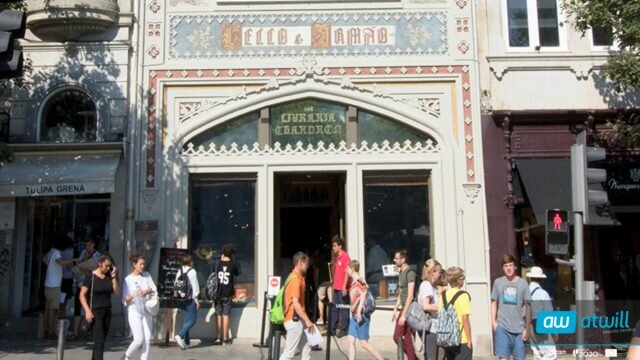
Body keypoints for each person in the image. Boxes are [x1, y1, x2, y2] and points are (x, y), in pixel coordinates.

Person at [491, 254, 531, 360]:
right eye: (505, 266)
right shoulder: (498, 282)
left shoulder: (523, 284)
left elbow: (528, 307)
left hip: (519, 329)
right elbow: (494, 302)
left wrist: (527, 328)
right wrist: (494, 322)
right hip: (502, 327)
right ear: (502, 268)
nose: (508, 268)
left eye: (510, 265)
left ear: (515, 266)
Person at [79, 254, 119, 360]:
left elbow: (116, 292)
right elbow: (82, 295)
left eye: (109, 266)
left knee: (100, 342)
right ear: (100, 263)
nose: (108, 268)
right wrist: (87, 311)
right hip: (96, 312)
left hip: (107, 311)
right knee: (99, 342)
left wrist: (114, 276)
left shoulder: (109, 276)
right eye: (106, 266)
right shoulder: (90, 276)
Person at [280, 251, 316, 360]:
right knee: (289, 353)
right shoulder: (295, 280)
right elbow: (295, 303)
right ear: (300, 263)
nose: (308, 267)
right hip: (294, 320)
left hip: (298, 320)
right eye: (306, 264)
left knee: (306, 346)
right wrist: (308, 320)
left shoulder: (296, 277)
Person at [346, 259, 384, 360]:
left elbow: (363, 295)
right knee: (350, 339)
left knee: (363, 343)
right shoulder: (354, 281)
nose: (346, 270)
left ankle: (380, 359)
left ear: (353, 269)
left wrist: (358, 312)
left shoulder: (360, 281)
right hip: (354, 315)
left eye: (348, 268)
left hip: (361, 314)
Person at [122, 253, 157, 360]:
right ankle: (126, 356)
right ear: (134, 264)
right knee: (138, 339)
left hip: (147, 310)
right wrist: (134, 295)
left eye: (143, 264)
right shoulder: (128, 279)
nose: (143, 266)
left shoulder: (147, 275)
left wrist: (147, 291)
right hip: (134, 311)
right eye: (140, 264)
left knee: (147, 340)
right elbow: (125, 300)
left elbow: (154, 290)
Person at [43, 238, 78, 340]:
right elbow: (62, 262)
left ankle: (47, 330)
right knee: (53, 310)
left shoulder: (52, 251)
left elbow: (44, 259)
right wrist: (74, 260)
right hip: (54, 284)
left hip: (48, 283)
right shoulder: (57, 252)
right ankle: (51, 332)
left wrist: (52, 268)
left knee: (49, 308)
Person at [439, 267, 472, 360]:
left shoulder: (444, 295)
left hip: (448, 339)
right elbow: (465, 318)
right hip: (462, 339)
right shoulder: (463, 295)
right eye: (462, 278)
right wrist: (469, 340)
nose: (463, 280)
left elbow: (440, 314)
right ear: (458, 280)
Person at [71, 238, 101, 340]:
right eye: (86, 245)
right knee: (77, 308)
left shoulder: (97, 256)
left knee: (90, 308)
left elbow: (99, 270)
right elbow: (78, 264)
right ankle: (75, 333)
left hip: (91, 285)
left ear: (93, 245)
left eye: (89, 245)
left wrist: (87, 271)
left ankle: (90, 332)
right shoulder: (83, 253)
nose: (87, 248)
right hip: (80, 284)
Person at [525, 266, 556, 360]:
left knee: (537, 354)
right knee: (550, 354)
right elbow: (549, 314)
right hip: (541, 327)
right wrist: (554, 331)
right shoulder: (543, 293)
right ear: (542, 279)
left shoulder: (525, 292)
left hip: (529, 327)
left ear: (530, 278)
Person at [391, 249, 417, 360]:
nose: (394, 260)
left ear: (403, 259)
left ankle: (413, 358)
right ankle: (413, 358)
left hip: (409, 309)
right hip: (403, 308)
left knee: (397, 336)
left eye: (396, 258)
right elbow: (401, 291)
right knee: (406, 338)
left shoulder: (410, 273)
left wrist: (403, 314)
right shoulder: (401, 272)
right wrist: (395, 307)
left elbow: (410, 295)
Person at [213, 244, 240, 345]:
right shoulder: (233, 264)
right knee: (226, 315)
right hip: (228, 292)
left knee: (218, 314)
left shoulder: (217, 263)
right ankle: (225, 338)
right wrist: (234, 259)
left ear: (223, 252)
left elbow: (212, 273)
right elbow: (238, 272)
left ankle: (218, 337)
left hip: (217, 292)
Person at [417, 259, 443, 360]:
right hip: (430, 327)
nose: (439, 274)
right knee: (432, 356)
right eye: (435, 271)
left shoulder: (435, 286)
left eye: (440, 271)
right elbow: (426, 306)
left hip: (437, 326)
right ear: (429, 272)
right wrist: (442, 309)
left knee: (439, 355)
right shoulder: (426, 285)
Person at [174, 255, 200, 350]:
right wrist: (196, 299)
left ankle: (186, 342)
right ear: (191, 262)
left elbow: (175, 284)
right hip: (189, 299)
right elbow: (195, 287)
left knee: (186, 321)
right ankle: (179, 335)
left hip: (180, 299)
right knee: (192, 320)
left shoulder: (179, 271)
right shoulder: (192, 271)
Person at [330, 236, 351, 338]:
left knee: (343, 308)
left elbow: (347, 272)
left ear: (340, 246)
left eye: (335, 246)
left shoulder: (345, 257)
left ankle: (344, 329)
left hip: (342, 288)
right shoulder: (337, 258)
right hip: (336, 287)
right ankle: (332, 329)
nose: (333, 248)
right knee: (334, 308)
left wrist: (344, 287)